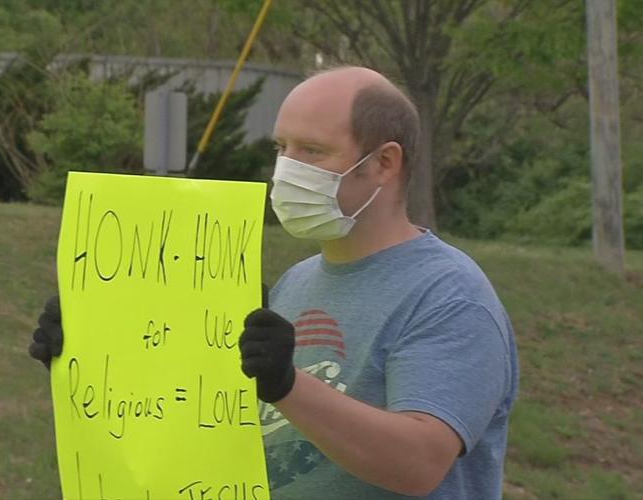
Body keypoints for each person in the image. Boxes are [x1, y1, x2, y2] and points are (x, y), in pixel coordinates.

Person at [30, 66, 518, 499]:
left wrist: (288, 385)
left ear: (384, 163)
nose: (286, 169)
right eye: (282, 148)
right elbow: (209, 421)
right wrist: (92, 352)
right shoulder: (294, 284)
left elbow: (420, 464)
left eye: (312, 150)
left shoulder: (449, 295)